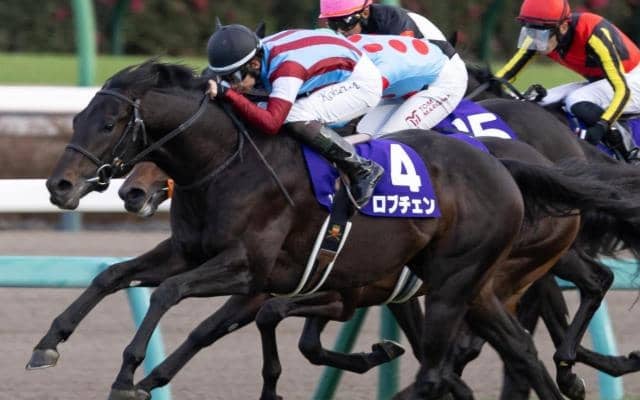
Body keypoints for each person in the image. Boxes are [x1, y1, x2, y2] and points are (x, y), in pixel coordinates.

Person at [206, 24, 384, 208]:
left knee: (291, 115)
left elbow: (272, 123)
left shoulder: (287, 69)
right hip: (336, 59)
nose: (230, 84)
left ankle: (362, 169)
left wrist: (228, 93)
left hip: (361, 84)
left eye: (233, 78)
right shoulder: (254, 53)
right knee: (253, 103)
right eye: (224, 78)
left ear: (254, 65)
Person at [496, 0, 640, 161]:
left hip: (631, 79)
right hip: (604, 81)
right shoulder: (541, 35)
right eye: (530, 31)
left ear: (563, 27)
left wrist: (602, 126)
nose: (536, 40)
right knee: (530, 100)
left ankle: (631, 152)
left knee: (576, 100)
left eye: (542, 34)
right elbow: (505, 75)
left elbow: (622, 90)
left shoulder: (593, 33)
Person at [319, 0, 467, 135]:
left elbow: (396, 72)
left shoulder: (395, 24)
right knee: (363, 134)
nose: (340, 31)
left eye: (345, 23)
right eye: (333, 24)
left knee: (388, 138)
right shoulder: (360, 26)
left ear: (365, 12)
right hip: (405, 84)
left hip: (441, 81)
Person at [347, 33, 453, 136]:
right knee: (364, 128)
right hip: (406, 75)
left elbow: (361, 96)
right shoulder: (349, 45)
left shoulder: (386, 69)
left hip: (443, 80)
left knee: (387, 136)